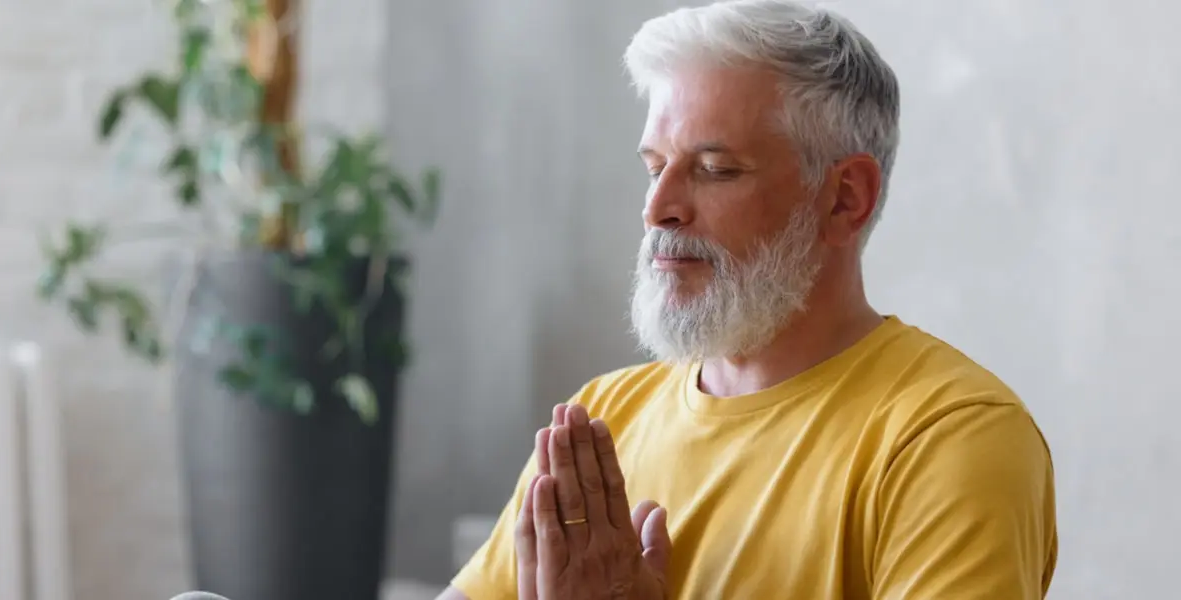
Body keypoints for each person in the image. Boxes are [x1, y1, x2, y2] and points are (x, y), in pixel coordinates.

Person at [439, 1, 1058, 598]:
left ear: (845, 198)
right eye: (655, 167)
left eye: (715, 169)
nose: (659, 208)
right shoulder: (601, 421)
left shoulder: (947, 437)